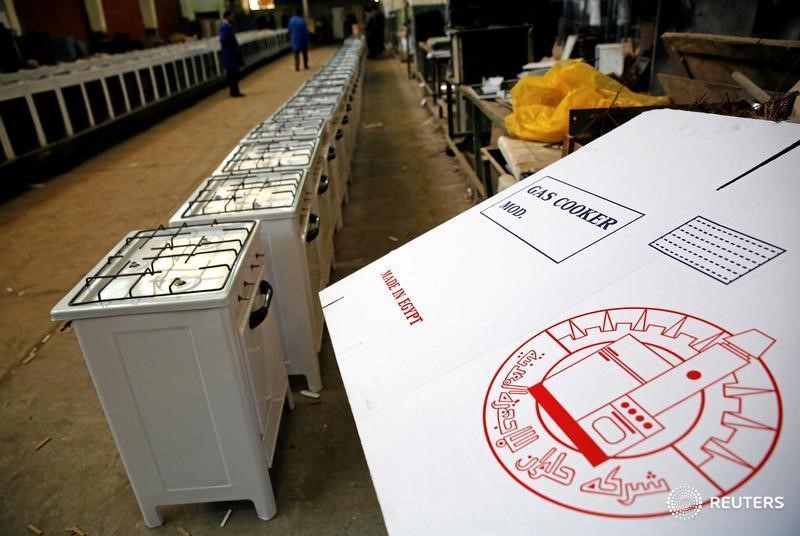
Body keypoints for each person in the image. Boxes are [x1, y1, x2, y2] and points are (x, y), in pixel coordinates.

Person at [219, 10, 244, 97]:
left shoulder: (227, 26)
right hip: (230, 56)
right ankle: (234, 92)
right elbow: (224, 40)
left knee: (234, 74)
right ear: (227, 17)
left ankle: (235, 91)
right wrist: (231, 48)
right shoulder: (225, 27)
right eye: (232, 16)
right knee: (233, 74)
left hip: (231, 55)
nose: (233, 18)